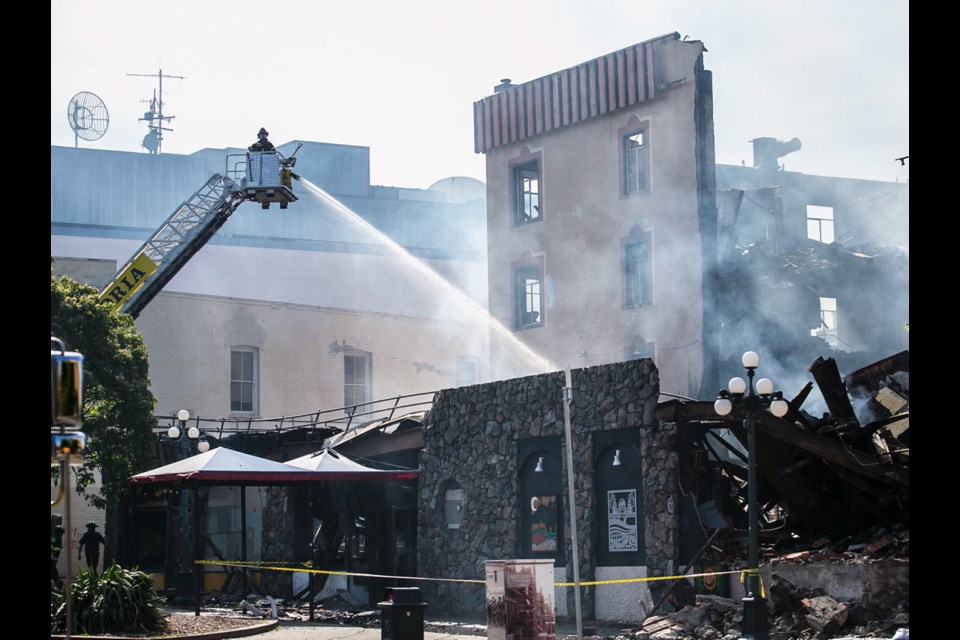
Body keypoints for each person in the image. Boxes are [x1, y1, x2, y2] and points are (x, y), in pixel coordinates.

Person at [51, 523, 65, 588]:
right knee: (54, 572)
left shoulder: (53, 538)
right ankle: (59, 584)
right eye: (60, 533)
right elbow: (56, 552)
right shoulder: (58, 540)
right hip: (52, 560)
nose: (60, 534)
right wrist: (55, 560)